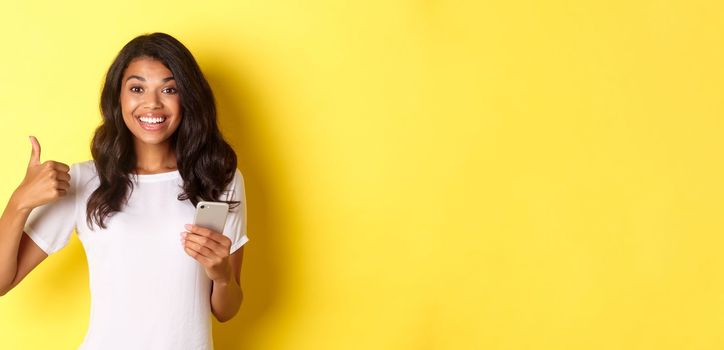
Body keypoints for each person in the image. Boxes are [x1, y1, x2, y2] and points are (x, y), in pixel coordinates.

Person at [0, 32, 249, 349]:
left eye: (169, 89)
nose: (152, 103)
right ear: (118, 98)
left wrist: (222, 275)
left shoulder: (220, 179)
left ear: (187, 98)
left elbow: (226, 311)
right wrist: (19, 202)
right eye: (137, 88)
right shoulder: (86, 180)